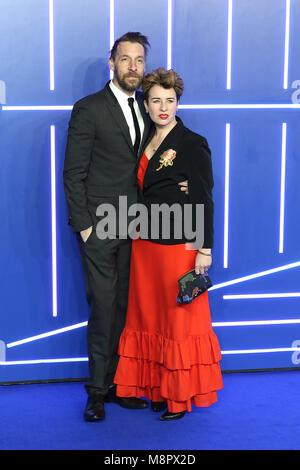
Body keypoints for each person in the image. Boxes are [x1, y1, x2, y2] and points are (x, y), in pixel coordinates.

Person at [63, 34, 188, 422]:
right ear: (112, 62)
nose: (133, 66)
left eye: (138, 60)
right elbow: (73, 174)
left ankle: (121, 386)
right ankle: (97, 392)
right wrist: (84, 227)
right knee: (103, 307)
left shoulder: (149, 108)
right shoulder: (89, 109)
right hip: (100, 228)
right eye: (125, 59)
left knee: (127, 309)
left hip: (138, 229)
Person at [114, 68, 223, 421]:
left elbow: (204, 199)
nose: (163, 108)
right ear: (145, 104)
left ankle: (178, 399)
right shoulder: (144, 140)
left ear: (178, 102)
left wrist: (204, 249)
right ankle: (157, 391)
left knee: (178, 323)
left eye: (170, 100)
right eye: (156, 100)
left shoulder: (192, 142)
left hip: (179, 247)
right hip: (145, 246)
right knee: (151, 321)